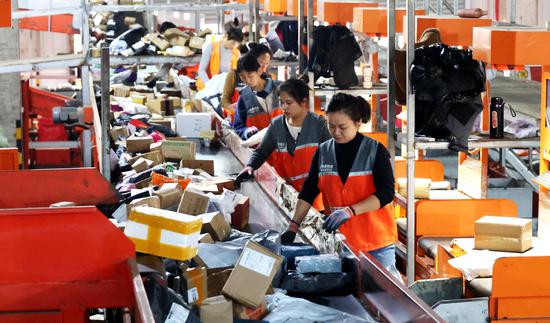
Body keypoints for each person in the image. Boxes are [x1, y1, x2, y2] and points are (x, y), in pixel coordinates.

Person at [280, 93, 400, 279]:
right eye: (331, 126)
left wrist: (350, 211)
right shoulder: (323, 152)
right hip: (342, 242)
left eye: (342, 127)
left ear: (358, 122)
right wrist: (293, 226)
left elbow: (386, 193)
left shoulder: (375, 151)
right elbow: (309, 191)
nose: (336, 132)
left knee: (382, 296)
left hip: (376, 243)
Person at [235, 79, 331, 210]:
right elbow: (262, 152)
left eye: (289, 103)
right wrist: (250, 166)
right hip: (288, 197)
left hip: (316, 199)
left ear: (303, 102)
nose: (284, 107)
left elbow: (333, 159)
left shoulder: (320, 126)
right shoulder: (277, 125)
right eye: (281, 102)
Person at [233, 53, 283, 140]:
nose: (247, 80)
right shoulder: (244, 97)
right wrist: (246, 132)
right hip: (260, 149)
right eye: (243, 77)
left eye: (250, 75)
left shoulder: (283, 89)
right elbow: (238, 127)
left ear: (259, 71)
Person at [221, 43, 273, 120]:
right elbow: (225, 98)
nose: (264, 68)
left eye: (267, 64)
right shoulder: (234, 75)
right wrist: (232, 108)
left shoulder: (268, 79)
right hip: (236, 117)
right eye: (262, 63)